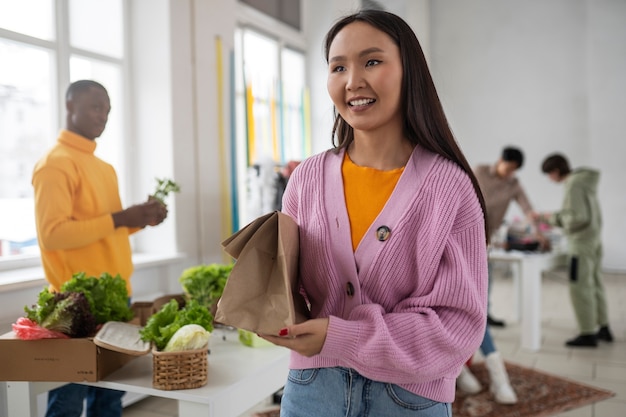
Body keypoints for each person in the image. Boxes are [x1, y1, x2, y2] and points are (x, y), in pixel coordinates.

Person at [260, 10, 489, 417]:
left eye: (372, 61)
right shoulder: (307, 179)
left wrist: (341, 336)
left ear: (409, 72)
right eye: (338, 67)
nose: (352, 82)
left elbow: (458, 327)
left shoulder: (449, 189)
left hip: (408, 397)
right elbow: (288, 288)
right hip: (313, 387)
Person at [32, 80, 168, 417]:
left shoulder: (104, 167)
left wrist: (141, 219)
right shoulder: (55, 163)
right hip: (74, 303)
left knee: (111, 395)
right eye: (95, 106)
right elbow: (53, 235)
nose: (103, 115)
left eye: (107, 108)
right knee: (68, 398)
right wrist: (123, 216)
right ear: (69, 106)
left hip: (116, 297)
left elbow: (105, 227)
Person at [537, 153, 613, 347]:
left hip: (580, 244)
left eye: (549, 174)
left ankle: (587, 333)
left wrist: (551, 218)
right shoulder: (585, 181)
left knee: (580, 287)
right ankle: (604, 327)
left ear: (555, 171)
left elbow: (577, 217)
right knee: (595, 284)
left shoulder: (573, 184)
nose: (549, 179)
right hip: (593, 240)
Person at [474, 146, 538, 327]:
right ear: (500, 160)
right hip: (468, 230)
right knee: (467, 276)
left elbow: (527, 208)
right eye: (509, 167)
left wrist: (537, 231)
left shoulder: (513, 184)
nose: (511, 172)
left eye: (514, 170)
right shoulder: (480, 171)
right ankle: (469, 315)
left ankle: (484, 315)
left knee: (487, 275)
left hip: (489, 235)